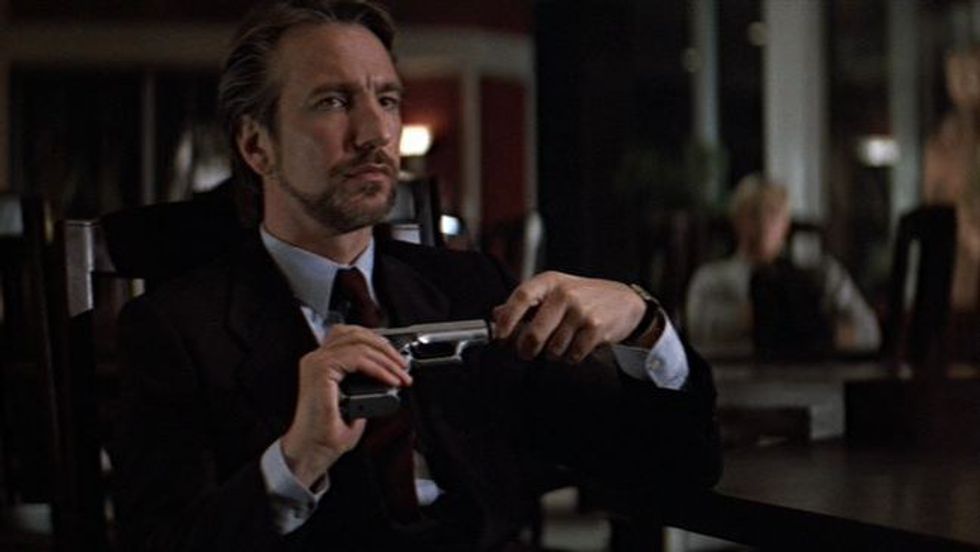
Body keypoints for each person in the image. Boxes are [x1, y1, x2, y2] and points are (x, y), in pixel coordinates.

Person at [108, 1, 721, 550]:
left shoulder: (472, 289)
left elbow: (673, 468)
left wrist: (644, 324)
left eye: (387, 100)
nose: (375, 133)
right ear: (256, 145)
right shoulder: (173, 331)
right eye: (333, 101)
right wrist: (297, 459)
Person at [685, 174, 881, 359]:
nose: (763, 222)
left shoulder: (823, 274)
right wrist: (758, 316)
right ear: (736, 220)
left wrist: (821, 332)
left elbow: (869, 332)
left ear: (786, 222)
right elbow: (696, 329)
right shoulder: (711, 279)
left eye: (772, 212)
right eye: (753, 213)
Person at [923, 45, 980, 313]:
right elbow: (932, 203)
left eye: (971, 74)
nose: (963, 84)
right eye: (956, 76)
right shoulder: (942, 144)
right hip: (956, 259)